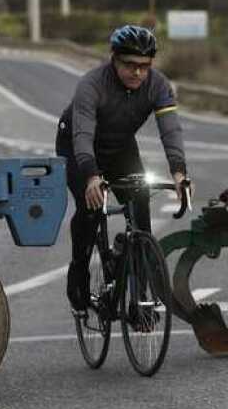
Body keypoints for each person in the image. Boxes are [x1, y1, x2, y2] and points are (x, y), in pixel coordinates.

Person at [56, 25, 188, 312]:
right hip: (78, 146)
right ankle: (79, 270)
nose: (137, 73)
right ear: (113, 59)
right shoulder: (92, 85)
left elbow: (170, 131)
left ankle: (140, 300)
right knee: (91, 207)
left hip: (120, 148)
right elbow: (83, 136)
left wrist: (179, 173)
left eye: (144, 66)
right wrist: (91, 176)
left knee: (140, 208)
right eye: (129, 65)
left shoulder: (158, 85)